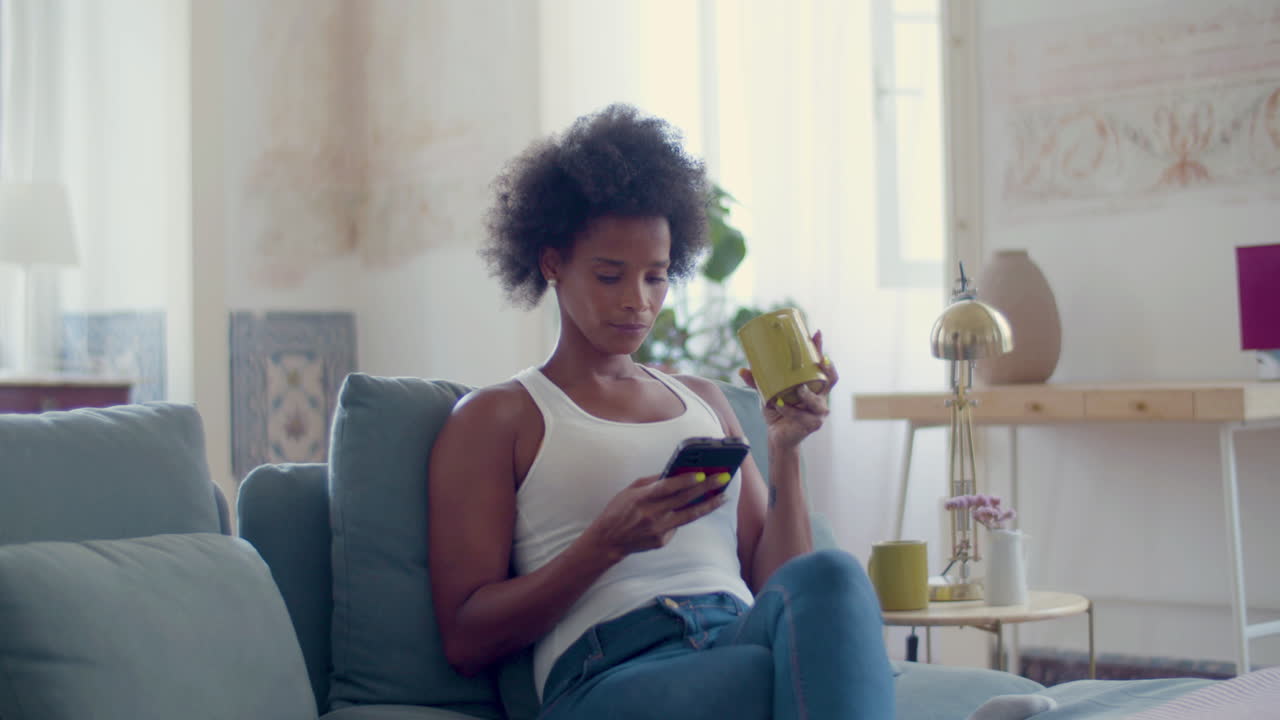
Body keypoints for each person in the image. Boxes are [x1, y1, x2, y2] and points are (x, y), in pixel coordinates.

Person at [428, 104, 893, 720]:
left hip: (736, 633)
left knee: (832, 577)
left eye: (655, 277)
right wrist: (604, 545)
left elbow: (779, 584)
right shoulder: (497, 418)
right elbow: (465, 638)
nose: (637, 303)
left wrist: (785, 451)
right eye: (610, 275)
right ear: (551, 264)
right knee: (768, 675)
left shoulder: (704, 401)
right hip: (610, 668)